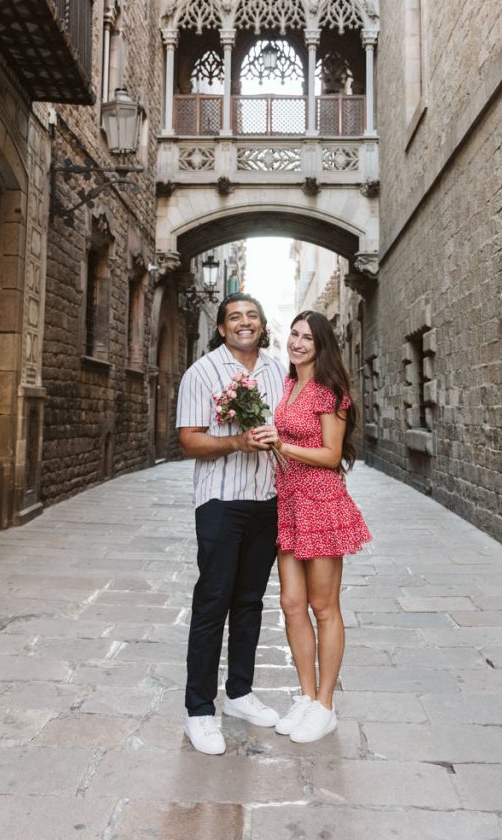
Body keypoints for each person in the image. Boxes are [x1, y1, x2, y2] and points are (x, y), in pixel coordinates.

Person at [253, 310, 371, 744]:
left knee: (324, 608)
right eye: (294, 334)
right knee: (290, 603)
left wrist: (282, 444)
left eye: (308, 338)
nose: (298, 343)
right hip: (289, 503)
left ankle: (325, 705)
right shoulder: (288, 384)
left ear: (322, 345)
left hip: (321, 503)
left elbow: (330, 454)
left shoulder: (330, 390)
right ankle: (304, 696)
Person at [176, 292, 285, 755]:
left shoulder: (279, 370)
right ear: (221, 328)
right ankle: (199, 710)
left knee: (251, 601)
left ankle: (239, 693)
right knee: (213, 601)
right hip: (221, 501)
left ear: (262, 324)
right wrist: (236, 442)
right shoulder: (202, 372)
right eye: (235, 317)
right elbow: (188, 440)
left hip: (267, 500)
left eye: (252, 316)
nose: (245, 323)